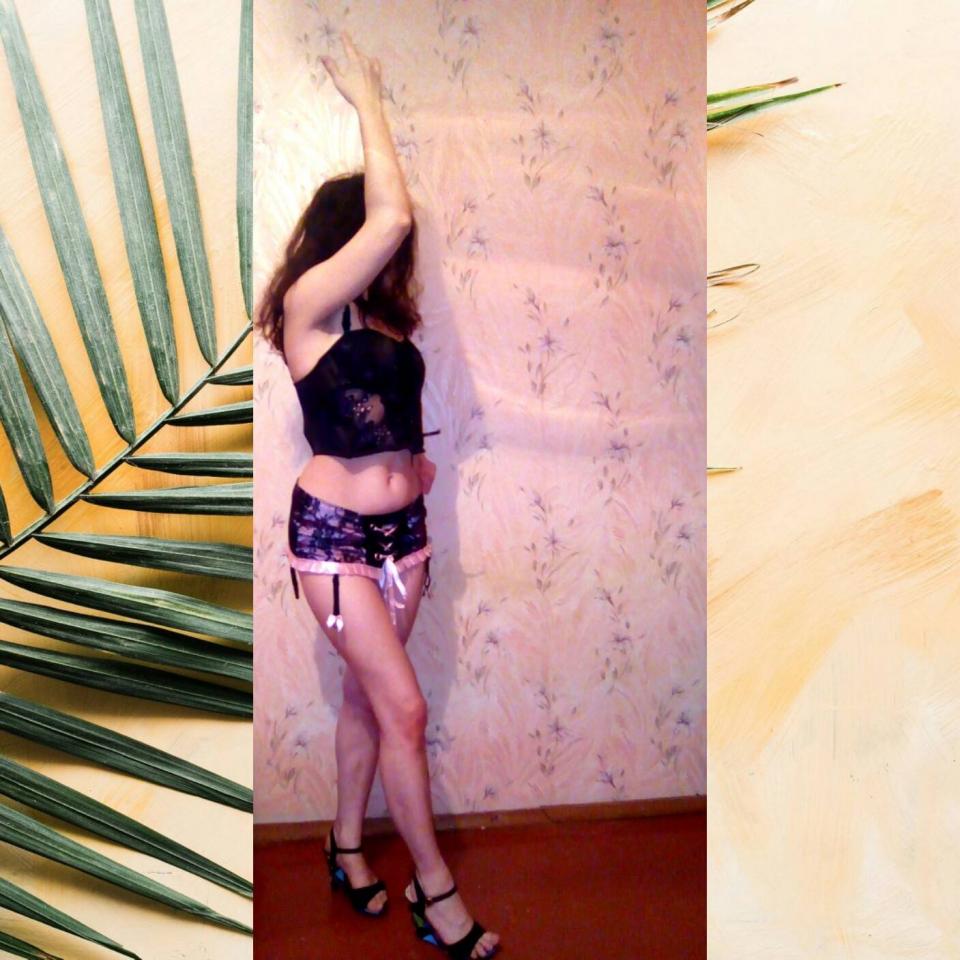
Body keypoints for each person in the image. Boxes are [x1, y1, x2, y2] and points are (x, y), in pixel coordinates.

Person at [255, 30, 500, 960]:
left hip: (407, 534)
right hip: (333, 540)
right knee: (405, 709)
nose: (391, 248)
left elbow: (383, 416)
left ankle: (346, 844)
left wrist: (414, 463)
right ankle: (435, 893)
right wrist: (367, 96)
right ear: (342, 235)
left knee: (370, 699)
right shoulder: (308, 311)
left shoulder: (386, 326)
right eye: (369, 234)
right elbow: (391, 219)